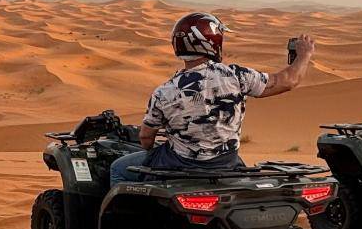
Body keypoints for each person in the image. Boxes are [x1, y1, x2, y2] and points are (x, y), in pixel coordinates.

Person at [110, 13, 315, 184]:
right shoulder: (237, 76)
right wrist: (303, 55)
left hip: (178, 164)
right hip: (227, 162)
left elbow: (146, 137)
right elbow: (287, 80)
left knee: (118, 168)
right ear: (213, 43)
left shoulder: (165, 91)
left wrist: (151, 148)